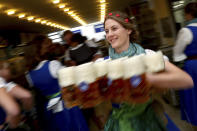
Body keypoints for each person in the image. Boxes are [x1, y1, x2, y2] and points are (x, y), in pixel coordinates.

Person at [102, 11, 193, 131]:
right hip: (119, 123)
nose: (109, 34)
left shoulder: (147, 55)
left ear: (128, 30)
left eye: (114, 28)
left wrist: (147, 79)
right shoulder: (103, 64)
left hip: (148, 121)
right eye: (107, 31)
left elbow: (185, 80)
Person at [25, 35, 89, 131]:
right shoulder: (52, 65)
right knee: (75, 126)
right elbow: (71, 80)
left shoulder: (28, 74)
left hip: (50, 106)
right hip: (66, 103)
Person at [173, 2, 197, 127]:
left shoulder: (186, 31)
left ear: (188, 15)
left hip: (193, 67)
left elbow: (177, 53)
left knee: (194, 100)